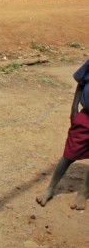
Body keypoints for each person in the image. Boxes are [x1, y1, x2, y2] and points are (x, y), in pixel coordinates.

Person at [36, 59, 89, 210]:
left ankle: (83, 193)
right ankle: (50, 188)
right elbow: (81, 83)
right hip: (85, 118)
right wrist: (74, 109)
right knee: (68, 155)